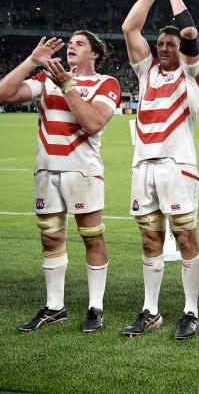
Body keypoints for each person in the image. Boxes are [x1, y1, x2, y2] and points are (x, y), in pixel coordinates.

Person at [0, 32, 121, 333]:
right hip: (46, 170)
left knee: (91, 236)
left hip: (81, 171)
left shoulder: (106, 83)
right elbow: (3, 93)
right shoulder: (45, 80)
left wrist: (67, 85)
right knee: (51, 238)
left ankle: (96, 307)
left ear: (95, 54)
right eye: (70, 44)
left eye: (80, 44)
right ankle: (55, 307)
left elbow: (92, 123)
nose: (71, 47)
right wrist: (31, 61)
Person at [120, 0, 199, 339]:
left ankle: (190, 311)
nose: (165, 46)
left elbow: (189, 31)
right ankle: (150, 310)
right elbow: (129, 27)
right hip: (143, 165)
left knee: (185, 238)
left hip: (177, 166)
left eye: (171, 43)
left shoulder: (192, 75)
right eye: (161, 43)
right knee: (149, 238)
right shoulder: (146, 71)